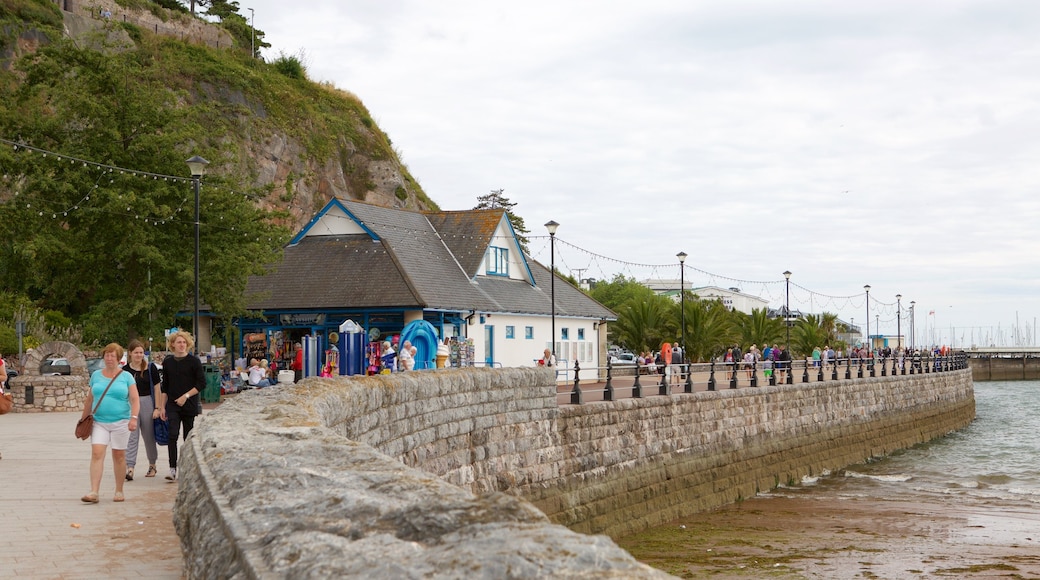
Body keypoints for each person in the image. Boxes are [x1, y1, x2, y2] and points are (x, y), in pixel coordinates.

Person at [79, 342, 139, 503]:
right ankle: (94, 492)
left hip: (121, 422)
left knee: (119, 455)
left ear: (119, 359)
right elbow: (90, 399)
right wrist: (83, 420)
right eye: (107, 355)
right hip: (99, 421)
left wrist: (134, 418)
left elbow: (134, 399)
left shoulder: (126, 377)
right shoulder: (96, 375)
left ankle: (119, 490)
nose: (109, 358)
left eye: (113, 355)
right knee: (97, 453)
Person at [158, 330, 204, 482]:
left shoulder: (194, 361)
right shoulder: (168, 362)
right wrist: (161, 407)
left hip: (189, 403)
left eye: (184, 342)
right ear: (173, 344)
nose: (182, 345)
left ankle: (187, 468)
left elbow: (201, 383)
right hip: (172, 404)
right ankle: (172, 469)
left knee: (187, 437)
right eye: (179, 342)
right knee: (172, 434)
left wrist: (186, 396)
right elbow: (165, 386)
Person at [123, 339, 162, 480]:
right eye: (136, 352)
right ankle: (130, 467)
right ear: (130, 353)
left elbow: (157, 388)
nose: (139, 355)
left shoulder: (151, 368)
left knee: (148, 436)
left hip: (147, 402)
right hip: (131, 404)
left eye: (141, 352)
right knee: (131, 437)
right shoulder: (125, 370)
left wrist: (157, 407)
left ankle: (152, 464)